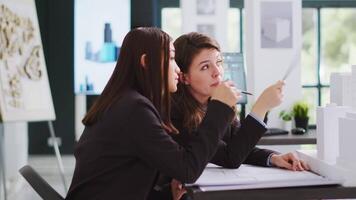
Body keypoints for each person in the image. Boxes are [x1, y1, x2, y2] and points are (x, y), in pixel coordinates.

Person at [65, 27, 241, 200]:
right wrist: (219, 107)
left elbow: (126, 180)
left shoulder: (126, 101)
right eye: (172, 58)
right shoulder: (134, 109)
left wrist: (167, 194)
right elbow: (188, 170)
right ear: (146, 62)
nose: (178, 70)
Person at [164, 32, 309, 200]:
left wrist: (273, 158)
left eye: (218, 62)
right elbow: (230, 157)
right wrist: (261, 107)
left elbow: (238, 145)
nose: (217, 72)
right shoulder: (175, 115)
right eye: (205, 67)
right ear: (184, 77)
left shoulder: (216, 103)